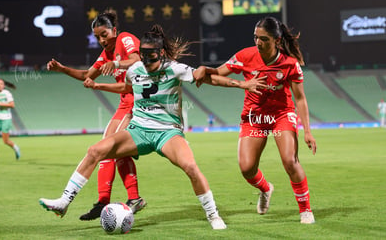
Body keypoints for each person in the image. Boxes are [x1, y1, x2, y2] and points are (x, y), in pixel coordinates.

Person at [38, 24, 264, 229]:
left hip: (167, 132)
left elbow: (208, 78)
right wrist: (98, 85)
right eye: (143, 56)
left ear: (161, 53)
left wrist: (242, 83)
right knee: (95, 150)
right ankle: (64, 202)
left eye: (151, 57)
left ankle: (213, 215)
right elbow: (127, 88)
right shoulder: (135, 70)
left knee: (191, 168)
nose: (146, 62)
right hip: (138, 130)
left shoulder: (175, 68)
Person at [201, 16, 317, 224]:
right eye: (256, 38)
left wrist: (307, 131)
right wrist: (211, 74)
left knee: (290, 160)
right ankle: (265, 188)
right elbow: (217, 74)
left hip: (281, 115)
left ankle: (305, 210)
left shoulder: (290, 65)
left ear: (277, 41)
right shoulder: (245, 56)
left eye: (264, 39)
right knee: (246, 168)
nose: (258, 43)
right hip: (254, 117)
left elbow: (300, 98)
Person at [46, 10, 146, 220]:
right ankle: (109, 201)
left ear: (114, 30)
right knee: (107, 148)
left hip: (139, 101)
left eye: (104, 34)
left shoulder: (125, 39)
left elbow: (137, 60)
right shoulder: (106, 54)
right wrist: (62, 69)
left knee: (111, 148)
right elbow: (86, 74)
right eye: (97, 37)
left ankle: (124, 199)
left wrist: (116, 64)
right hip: (124, 103)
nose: (102, 40)